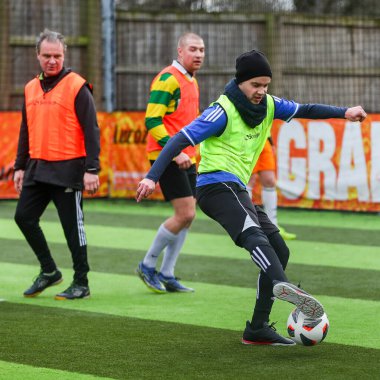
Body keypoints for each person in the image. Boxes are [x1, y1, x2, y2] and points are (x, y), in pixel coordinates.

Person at [136, 49, 367, 345]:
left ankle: (257, 327)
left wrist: (344, 112)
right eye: (255, 85)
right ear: (241, 82)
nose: (261, 91)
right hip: (214, 187)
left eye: (265, 85)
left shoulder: (270, 105)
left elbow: (305, 109)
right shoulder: (222, 110)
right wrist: (151, 176)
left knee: (279, 249)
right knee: (254, 236)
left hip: (237, 189)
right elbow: (181, 138)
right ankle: (281, 284)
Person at [13, 29, 100, 300]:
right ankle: (49, 271)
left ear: (64, 56)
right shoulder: (30, 88)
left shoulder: (77, 86)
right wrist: (19, 166)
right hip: (37, 168)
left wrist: (92, 169)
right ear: (37, 56)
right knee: (23, 218)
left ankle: (81, 282)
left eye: (58, 55)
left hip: (69, 170)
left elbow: (91, 130)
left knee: (72, 228)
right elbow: (25, 130)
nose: (52, 60)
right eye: (47, 55)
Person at [135, 32, 205, 293]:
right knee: (185, 214)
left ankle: (167, 273)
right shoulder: (168, 79)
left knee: (188, 217)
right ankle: (147, 264)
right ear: (180, 52)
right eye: (193, 49)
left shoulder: (191, 81)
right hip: (168, 158)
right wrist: (175, 152)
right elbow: (152, 121)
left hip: (188, 158)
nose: (198, 54)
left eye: (201, 50)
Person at [247, 138, 297, 240]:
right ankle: (248, 225)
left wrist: (270, 140)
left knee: (269, 180)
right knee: (249, 179)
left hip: (264, 138)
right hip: (247, 138)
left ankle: (273, 227)